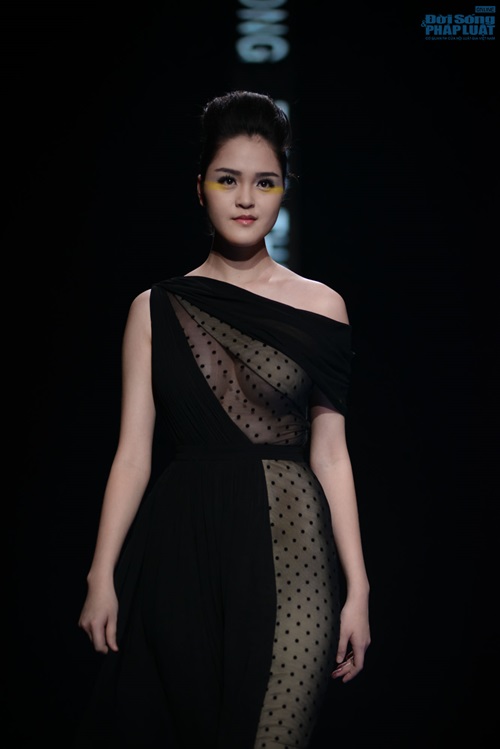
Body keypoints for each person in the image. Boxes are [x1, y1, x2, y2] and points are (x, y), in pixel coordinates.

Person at [75, 90, 371, 749]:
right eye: (227, 179)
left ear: (284, 189)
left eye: (265, 182)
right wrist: (101, 574)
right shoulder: (154, 308)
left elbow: (331, 453)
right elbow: (132, 453)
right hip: (182, 552)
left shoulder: (322, 308)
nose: (245, 199)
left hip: (294, 553)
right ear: (199, 188)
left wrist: (359, 587)